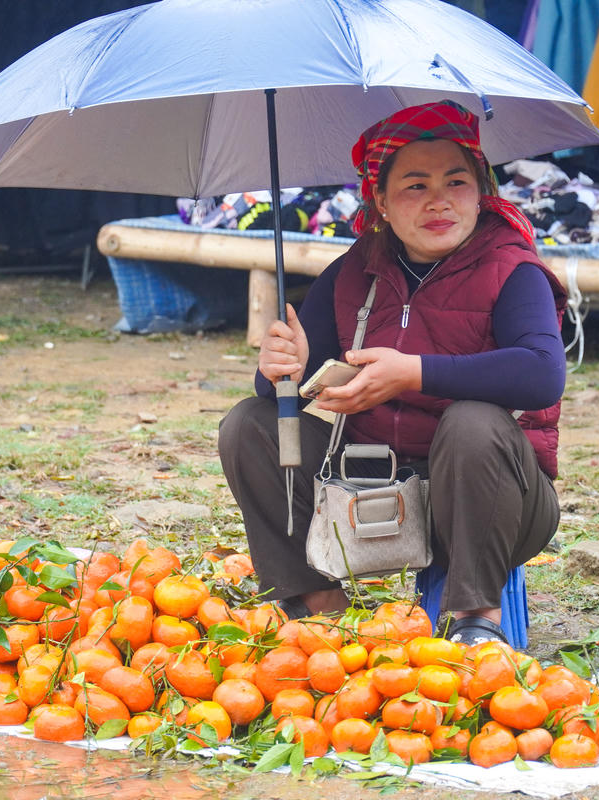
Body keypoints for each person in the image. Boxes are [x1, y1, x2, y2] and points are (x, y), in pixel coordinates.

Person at [218, 101, 565, 645]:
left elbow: (542, 374)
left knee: (473, 422)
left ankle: (475, 623)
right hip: (370, 486)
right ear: (380, 200)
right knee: (250, 424)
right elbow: (274, 393)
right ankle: (317, 609)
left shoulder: (513, 269)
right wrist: (283, 366)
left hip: (495, 500)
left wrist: (412, 373)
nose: (439, 201)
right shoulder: (357, 270)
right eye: (415, 186)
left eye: (456, 181)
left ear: (480, 189)